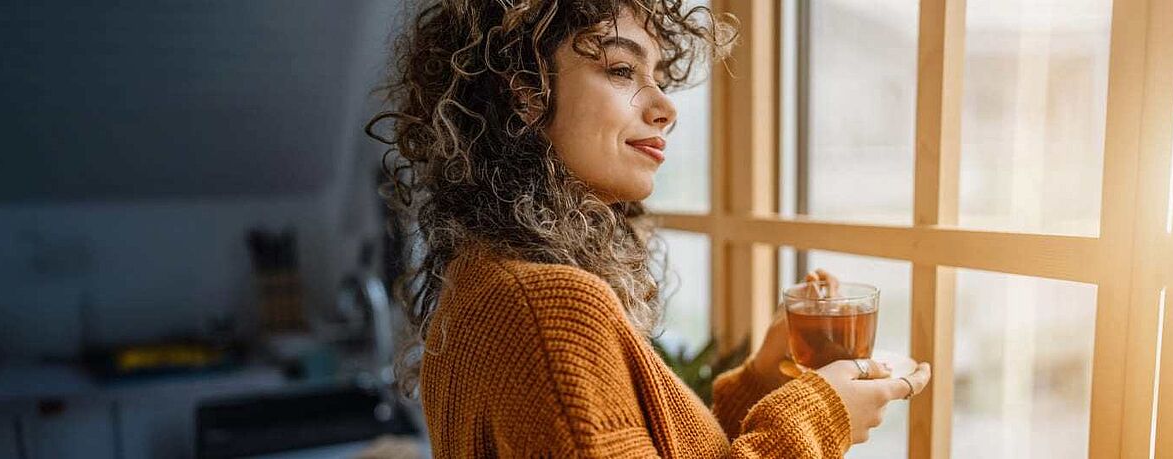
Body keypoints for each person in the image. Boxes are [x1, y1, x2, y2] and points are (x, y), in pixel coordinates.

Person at [366, 0, 932, 456]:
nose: (666, 107)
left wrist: (762, 378)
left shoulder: (489, 277)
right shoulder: (547, 306)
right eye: (620, 69)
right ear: (527, 93)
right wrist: (818, 419)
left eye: (658, 76)